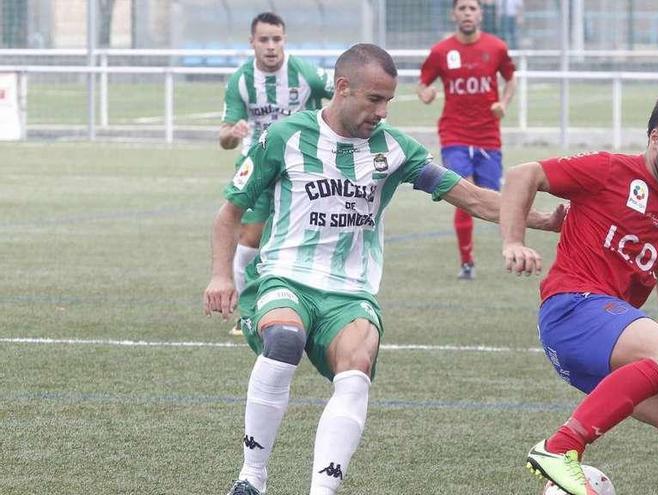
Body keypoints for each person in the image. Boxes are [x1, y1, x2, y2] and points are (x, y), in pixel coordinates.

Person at [203, 43, 563, 495]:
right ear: (342, 88)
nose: (383, 111)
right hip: (286, 278)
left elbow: (474, 198)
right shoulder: (285, 137)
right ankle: (251, 478)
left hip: (351, 293)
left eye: (389, 100)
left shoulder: (395, 148)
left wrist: (543, 221)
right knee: (284, 339)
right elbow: (229, 213)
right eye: (375, 99)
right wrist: (221, 275)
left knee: (356, 368)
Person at [500, 89, 658, 495]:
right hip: (572, 309)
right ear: (654, 138)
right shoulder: (609, 170)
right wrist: (513, 241)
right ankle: (561, 448)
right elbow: (524, 174)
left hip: (602, 344)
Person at [220, 12, 334, 336]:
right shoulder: (241, 80)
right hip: (257, 164)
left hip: (303, 167)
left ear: (284, 40)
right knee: (250, 237)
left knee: (305, 237)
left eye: (277, 39)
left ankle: (313, 305)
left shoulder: (306, 74)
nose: (271, 46)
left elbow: (343, 94)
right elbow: (225, 138)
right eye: (264, 40)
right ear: (252, 42)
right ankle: (248, 314)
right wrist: (234, 132)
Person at [418, 0, 517, 280]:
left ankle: (512, 248)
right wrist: (425, 93)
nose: (467, 13)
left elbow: (511, 79)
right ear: (454, 14)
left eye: (472, 8)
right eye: (462, 8)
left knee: (491, 199)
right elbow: (423, 83)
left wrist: (504, 103)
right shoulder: (441, 51)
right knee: (463, 192)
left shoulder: (496, 47)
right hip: (454, 134)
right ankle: (467, 262)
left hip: (488, 135)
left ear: (480, 14)